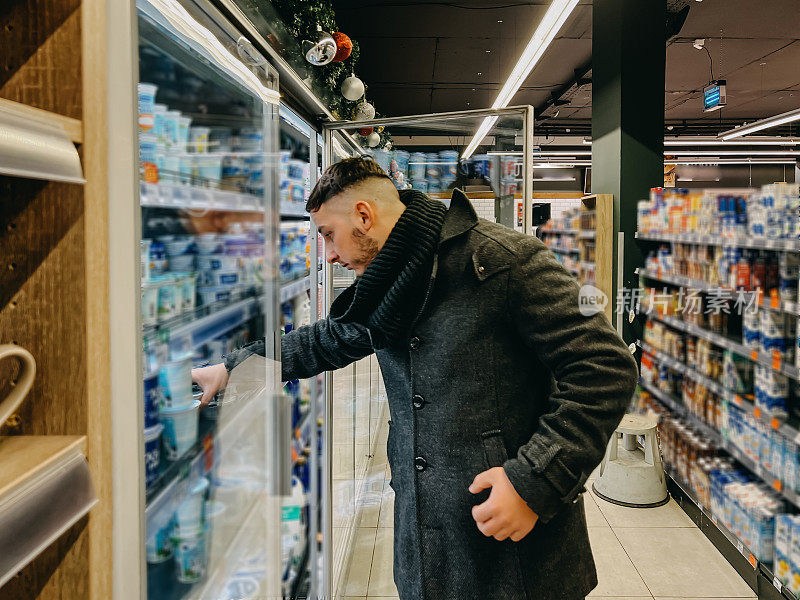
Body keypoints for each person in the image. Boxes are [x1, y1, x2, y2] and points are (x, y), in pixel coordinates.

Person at [192, 157, 639, 600]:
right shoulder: (391, 278)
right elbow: (331, 338)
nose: (328, 254)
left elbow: (604, 367)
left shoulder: (507, 260)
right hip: (427, 540)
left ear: (364, 216)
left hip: (513, 543)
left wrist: (534, 480)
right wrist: (236, 368)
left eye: (329, 234)